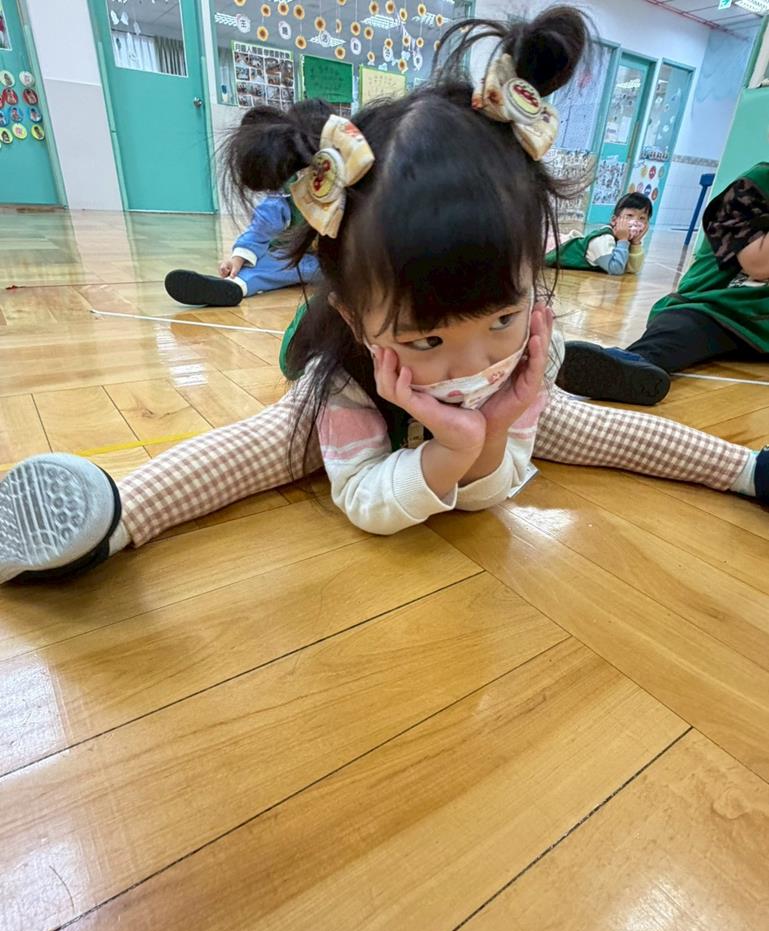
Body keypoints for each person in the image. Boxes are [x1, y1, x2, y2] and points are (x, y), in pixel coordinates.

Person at [1, 8, 768, 584]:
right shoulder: (343, 378)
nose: (468, 365)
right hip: (363, 387)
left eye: (502, 315)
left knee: (601, 427)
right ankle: (112, 517)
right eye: (427, 338)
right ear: (354, 313)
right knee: (260, 447)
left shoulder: (516, 356)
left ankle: (746, 467)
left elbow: (496, 488)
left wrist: (490, 430)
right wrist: (448, 453)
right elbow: (367, 501)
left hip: (521, 391)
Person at [558, 162, 769, 405]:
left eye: (642, 218)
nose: (636, 222)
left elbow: (631, 265)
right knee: (675, 333)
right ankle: (628, 363)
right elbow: (758, 264)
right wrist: (625, 243)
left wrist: (632, 244)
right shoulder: (750, 188)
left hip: (762, 323)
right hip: (714, 308)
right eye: (629, 217)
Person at [164, 121, 321, 308]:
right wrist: (238, 257)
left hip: (331, 262)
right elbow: (261, 227)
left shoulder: (344, 186)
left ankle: (238, 283)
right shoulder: (287, 190)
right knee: (274, 263)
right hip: (292, 256)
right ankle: (234, 285)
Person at [545, 193, 651, 276]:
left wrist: (635, 243)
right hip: (553, 248)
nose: (636, 222)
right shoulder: (604, 239)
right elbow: (615, 269)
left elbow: (632, 269)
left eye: (642, 218)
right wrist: (623, 240)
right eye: (630, 215)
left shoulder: (623, 240)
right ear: (614, 220)